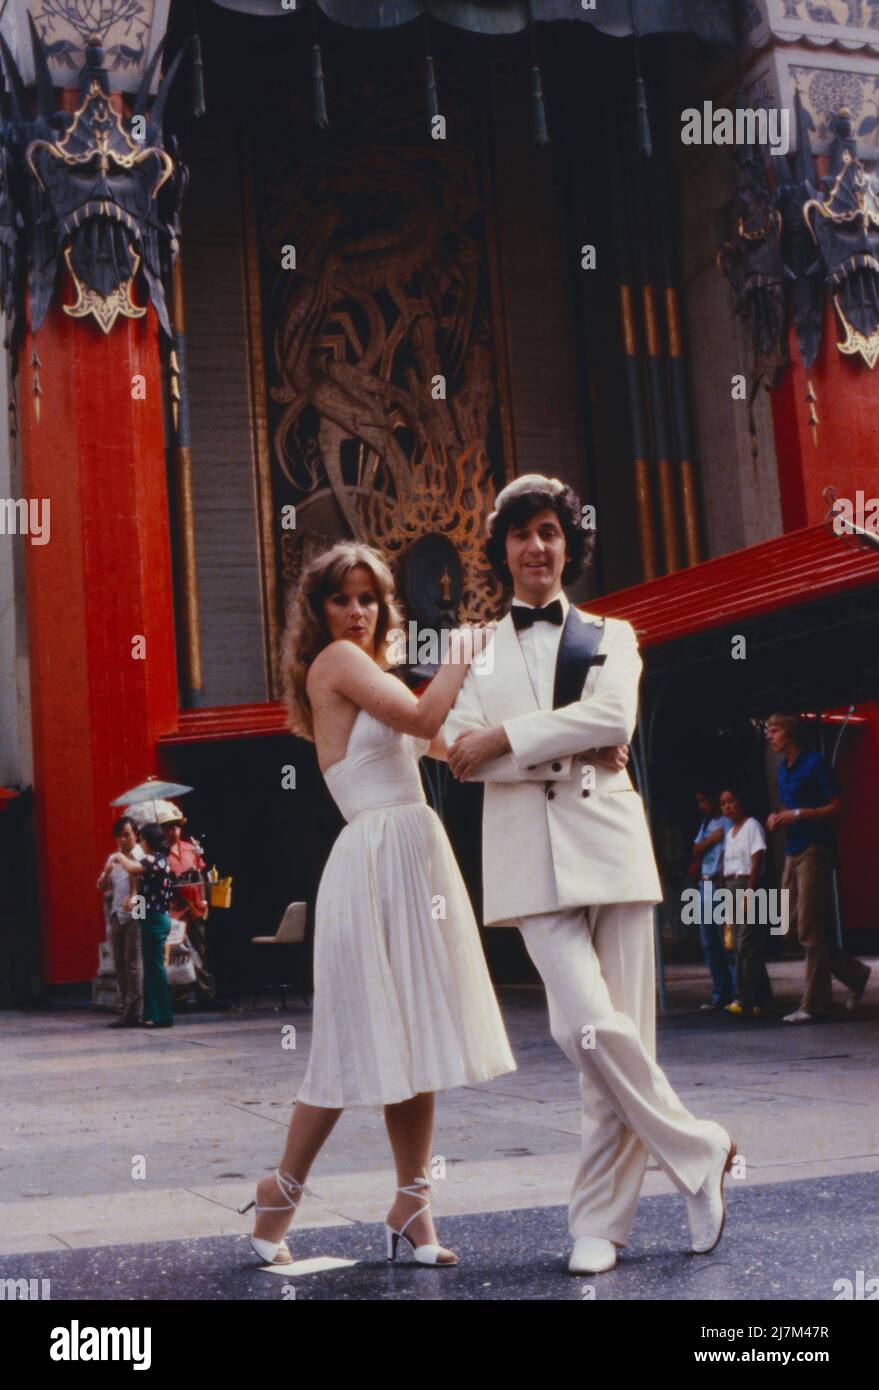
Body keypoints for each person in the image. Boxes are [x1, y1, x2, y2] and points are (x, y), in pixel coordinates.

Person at [443, 473, 735, 1276]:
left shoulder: (615, 632)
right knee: (581, 1028)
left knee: (621, 1040)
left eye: (549, 533)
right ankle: (698, 1146)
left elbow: (614, 719)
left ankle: (599, 1225)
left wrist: (508, 735)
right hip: (524, 858)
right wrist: (549, 743)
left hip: (609, 844)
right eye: (520, 533)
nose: (535, 547)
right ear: (500, 549)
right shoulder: (472, 647)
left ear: (569, 545)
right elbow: (458, 755)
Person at [239, 541, 515, 1268]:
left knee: (415, 1040)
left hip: (410, 856)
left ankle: (411, 1204)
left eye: (368, 598)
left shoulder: (373, 676)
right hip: (373, 861)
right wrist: (460, 648)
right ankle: (280, 1190)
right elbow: (427, 718)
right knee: (348, 1045)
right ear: (319, 610)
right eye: (341, 598)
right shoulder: (338, 664)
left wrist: (575, 750)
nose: (356, 611)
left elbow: (453, 744)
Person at [765, 713, 871, 1024]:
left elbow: (839, 807)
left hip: (814, 850)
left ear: (791, 734)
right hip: (792, 849)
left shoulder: (815, 763)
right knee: (788, 924)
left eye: (774, 730)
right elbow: (789, 809)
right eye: (768, 731)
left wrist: (797, 814)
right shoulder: (783, 769)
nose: (769, 736)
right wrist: (778, 817)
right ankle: (855, 973)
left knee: (810, 932)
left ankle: (814, 1004)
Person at [112, 823, 176, 1029]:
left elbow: (132, 868)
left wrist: (118, 857)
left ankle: (163, 1015)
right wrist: (132, 903)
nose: (138, 842)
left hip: (155, 919)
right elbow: (141, 888)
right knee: (149, 967)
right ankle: (150, 1014)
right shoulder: (152, 861)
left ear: (146, 840)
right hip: (148, 916)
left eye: (139, 838)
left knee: (154, 968)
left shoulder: (154, 859)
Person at [718, 789, 772, 1020]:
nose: (727, 807)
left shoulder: (752, 826)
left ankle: (744, 999)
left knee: (745, 944)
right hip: (731, 887)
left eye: (731, 801)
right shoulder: (730, 833)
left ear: (742, 802)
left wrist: (751, 892)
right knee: (740, 944)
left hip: (746, 886)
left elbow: (756, 861)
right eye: (723, 804)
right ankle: (762, 998)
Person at [159, 804, 216, 1005]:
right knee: (178, 954)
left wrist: (203, 901)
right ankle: (178, 996)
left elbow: (201, 876)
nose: (173, 831)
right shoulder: (161, 854)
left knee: (199, 951)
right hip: (175, 910)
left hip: (195, 907)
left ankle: (205, 993)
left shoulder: (191, 849)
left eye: (176, 827)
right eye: (168, 827)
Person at [690, 790, 735, 1010]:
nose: (701, 806)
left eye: (703, 800)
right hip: (704, 886)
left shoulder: (729, 823)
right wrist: (710, 839)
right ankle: (720, 994)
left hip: (719, 885)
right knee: (709, 944)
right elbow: (696, 849)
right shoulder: (707, 823)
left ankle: (737, 993)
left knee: (728, 943)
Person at [97, 816, 143, 1028]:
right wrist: (107, 872)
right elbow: (102, 886)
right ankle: (125, 1006)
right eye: (119, 836)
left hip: (139, 908)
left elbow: (140, 885)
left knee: (134, 963)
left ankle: (135, 1011)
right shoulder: (113, 860)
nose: (123, 840)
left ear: (135, 835)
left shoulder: (141, 856)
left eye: (127, 835)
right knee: (120, 963)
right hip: (118, 911)